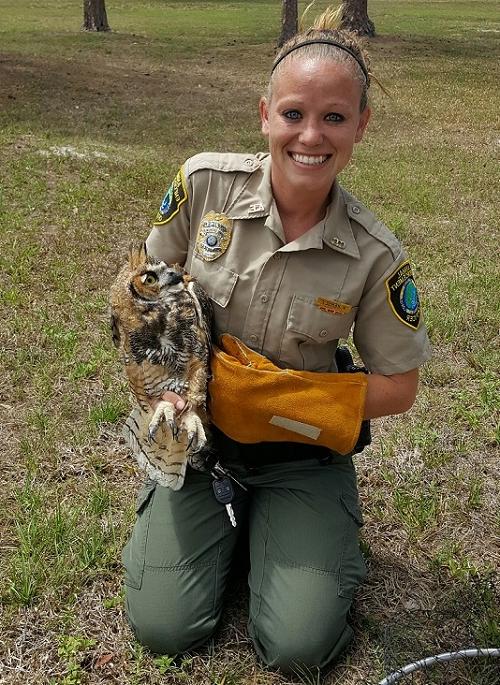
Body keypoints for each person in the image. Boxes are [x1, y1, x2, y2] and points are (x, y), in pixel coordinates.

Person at [122, 6, 432, 676]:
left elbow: (400, 386)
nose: (310, 135)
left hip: (301, 454)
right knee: (164, 627)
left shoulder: (374, 254)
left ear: (361, 125)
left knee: (298, 645)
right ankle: (224, 532)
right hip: (201, 443)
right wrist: (174, 382)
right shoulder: (204, 185)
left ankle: (299, 528)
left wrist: (277, 399)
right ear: (265, 114)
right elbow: (148, 283)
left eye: (334, 118)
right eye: (293, 114)